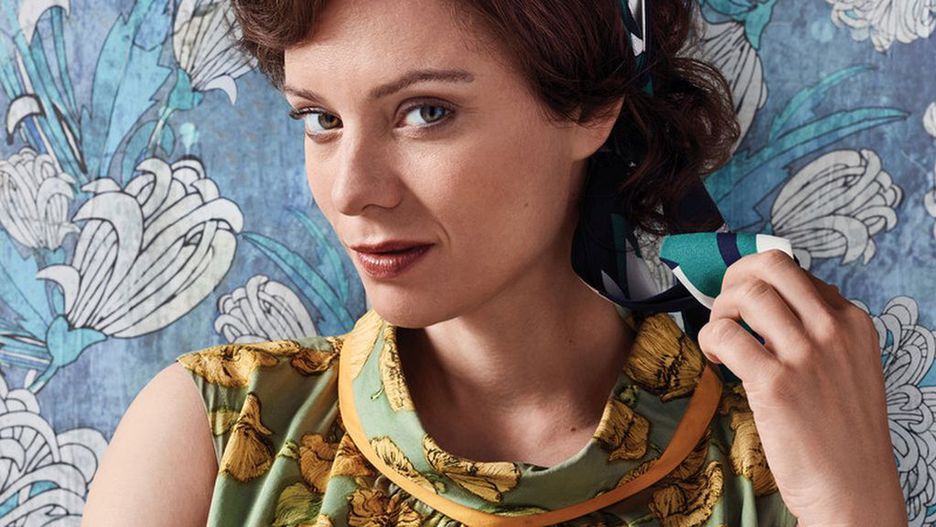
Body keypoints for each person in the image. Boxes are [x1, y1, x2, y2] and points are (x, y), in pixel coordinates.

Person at [80, 0, 908, 525]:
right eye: (321, 119)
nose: (353, 189)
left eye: (425, 112)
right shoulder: (215, 434)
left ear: (589, 109)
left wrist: (854, 503)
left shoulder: (779, 445)